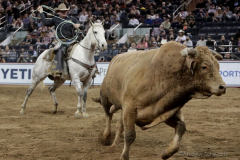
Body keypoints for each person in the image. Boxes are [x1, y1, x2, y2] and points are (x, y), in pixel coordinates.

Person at [38, 3, 81, 79]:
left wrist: (78, 25)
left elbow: (80, 25)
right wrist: (41, 12)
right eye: (62, 11)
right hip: (62, 41)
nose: (64, 13)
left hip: (72, 40)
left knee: (84, 49)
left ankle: (92, 69)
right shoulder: (55, 19)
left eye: (65, 11)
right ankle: (57, 71)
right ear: (59, 12)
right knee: (60, 51)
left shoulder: (72, 19)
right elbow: (46, 23)